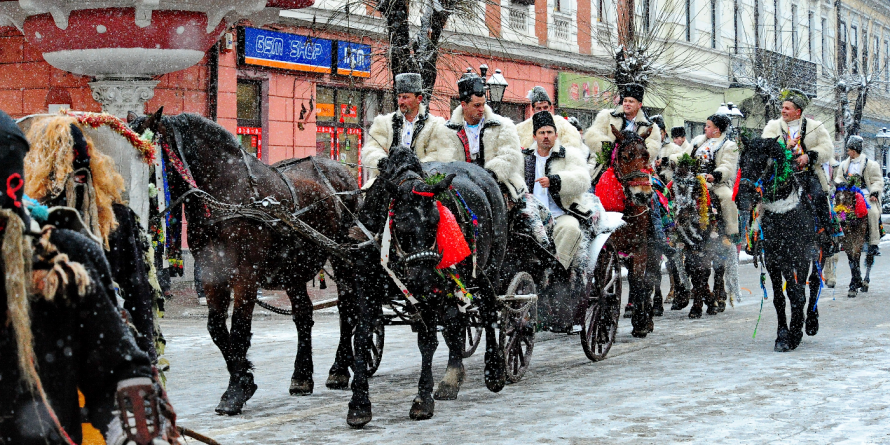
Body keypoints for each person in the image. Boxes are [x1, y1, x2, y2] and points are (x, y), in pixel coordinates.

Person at [0, 109, 179, 445]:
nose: (75, 180)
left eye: (82, 171)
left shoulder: (68, 250)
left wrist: (137, 431)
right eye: (68, 169)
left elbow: (118, 362)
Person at [24, 115, 158, 362]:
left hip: (107, 341)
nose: (76, 173)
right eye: (66, 165)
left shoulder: (118, 217)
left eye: (82, 173)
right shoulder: (34, 219)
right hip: (54, 347)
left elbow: (136, 285)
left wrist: (145, 352)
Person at [432, 73, 527, 201]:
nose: (482, 109)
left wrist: (490, 174)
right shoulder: (447, 130)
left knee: (525, 214)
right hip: (461, 186)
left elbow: (511, 156)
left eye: (483, 104)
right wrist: (466, 179)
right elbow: (446, 161)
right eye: (477, 105)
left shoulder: (503, 125)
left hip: (501, 182)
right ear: (464, 105)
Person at [761, 88, 838, 239]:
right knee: (762, 200)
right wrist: (785, 146)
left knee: (819, 196)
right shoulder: (772, 126)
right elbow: (765, 147)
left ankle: (827, 236)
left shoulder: (815, 126)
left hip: (807, 174)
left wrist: (808, 157)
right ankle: (757, 236)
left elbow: (827, 148)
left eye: (787, 108)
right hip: (779, 175)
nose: (783, 111)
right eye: (782, 107)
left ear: (798, 111)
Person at [521, 111, 592, 270]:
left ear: (556, 135)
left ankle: (558, 272)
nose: (546, 136)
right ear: (534, 136)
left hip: (561, 214)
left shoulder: (568, 155)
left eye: (549, 132)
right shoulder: (525, 158)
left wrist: (556, 181)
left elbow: (583, 180)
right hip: (531, 218)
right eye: (541, 133)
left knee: (571, 229)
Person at [362, 72, 452, 184]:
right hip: (387, 181)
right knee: (365, 197)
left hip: (422, 182)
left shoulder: (435, 125)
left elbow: (436, 156)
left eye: (405, 97)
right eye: (399, 97)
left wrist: (412, 169)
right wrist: (383, 162)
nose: (401, 102)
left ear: (419, 99)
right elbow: (371, 149)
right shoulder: (383, 123)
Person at [673, 114, 740, 238]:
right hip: (692, 179)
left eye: (708, 126)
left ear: (717, 129)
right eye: (705, 126)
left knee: (728, 197)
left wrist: (716, 175)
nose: (704, 128)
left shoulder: (729, 145)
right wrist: (669, 160)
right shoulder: (698, 140)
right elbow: (684, 155)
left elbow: (728, 165)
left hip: (715, 183)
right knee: (668, 189)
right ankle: (669, 224)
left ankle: (730, 232)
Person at [583, 83, 662, 180]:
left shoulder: (649, 126)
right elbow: (592, 135)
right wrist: (609, 149)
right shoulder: (607, 116)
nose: (627, 104)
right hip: (605, 167)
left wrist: (634, 155)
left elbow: (653, 147)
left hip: (635, 170)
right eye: (625, 101)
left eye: (631, 101)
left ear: (639, 105)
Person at [834, 135, 884, 255]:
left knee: (873, 213)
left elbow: (877, 181)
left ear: (854, 150)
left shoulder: (871, 165)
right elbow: (839, 177)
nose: (847, 152)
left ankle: (873, 243)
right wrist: (840, 184)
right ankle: (838, 240)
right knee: (837, 212)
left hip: (865, 194)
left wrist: (875, 193)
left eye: (849, 150)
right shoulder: (843, 165)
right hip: (847, 194)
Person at [515, 86, 582, 151]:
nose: (542, 111)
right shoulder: (521, 129)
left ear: (551, 108)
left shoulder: (563, 126)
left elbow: (572, 148)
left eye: (545, 107)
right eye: (538, 108)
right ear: (533, 109)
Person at [650, 115, 683, 183]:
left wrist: (665, 161)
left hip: (669, 188)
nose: (657, 136)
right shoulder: (647, 148)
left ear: (665, 132)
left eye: (660, 133)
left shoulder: (674, 148)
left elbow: (681, 165)